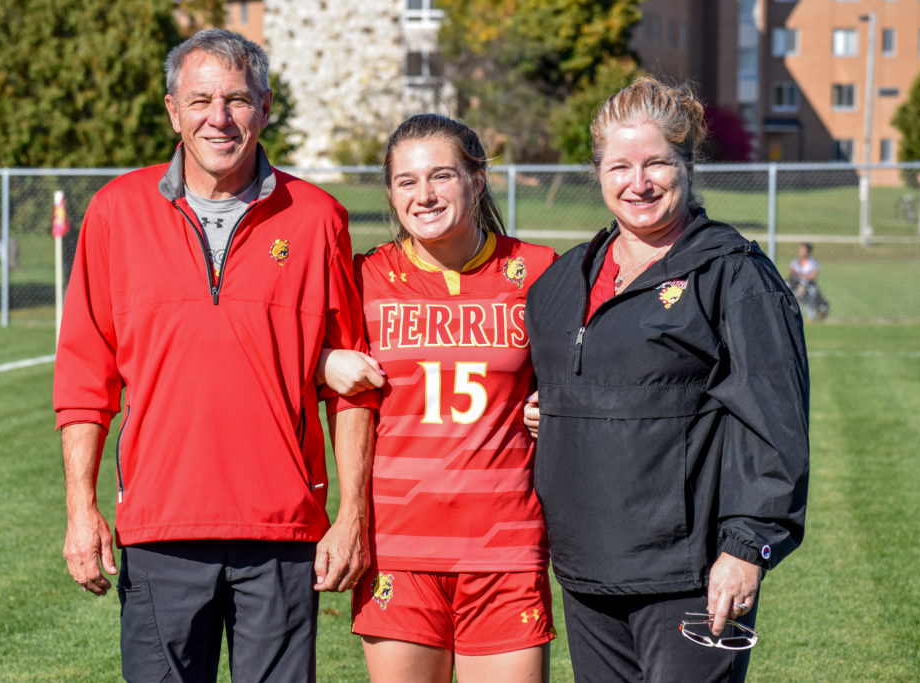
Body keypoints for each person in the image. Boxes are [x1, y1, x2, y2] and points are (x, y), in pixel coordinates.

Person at [53, 29, 375, 682]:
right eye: (200, 100)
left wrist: (352, 516)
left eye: (237, 99)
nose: (218, 118)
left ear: (265, 107)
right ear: (173, 110)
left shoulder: (318, 218)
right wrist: (81, 509)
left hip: (282, 530)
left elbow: (353, 382)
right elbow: (85, 378)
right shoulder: (115, 212)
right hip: (160, 529)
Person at [522, 77, 810, 682]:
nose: (639, 182)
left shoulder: (733, 275)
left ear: (688, 165)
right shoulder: (562, 281)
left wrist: (746, 548)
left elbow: (774, 427)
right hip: (586, 570)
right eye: (620, 166)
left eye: (656, 163)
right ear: (598, 173)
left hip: (690, 575)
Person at [320, 114, 557, 682]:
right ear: (390, 193)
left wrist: (557, 407)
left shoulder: (539, 270)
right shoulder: (364, 276)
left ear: (477, 180)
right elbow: (275, 350)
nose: (424, 195)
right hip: (396, 548)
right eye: (407, 181)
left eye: (441, 176)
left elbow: (589, 371)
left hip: (506, 547)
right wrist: (323, 360)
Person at [786, 242, 829, 319]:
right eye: (800, 250)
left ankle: (819, 313)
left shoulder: (813, 263)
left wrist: (800, 274)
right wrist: (800, 275)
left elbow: (812, 277)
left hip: (808, 286)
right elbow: (791, 275)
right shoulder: (795, 262)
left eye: (804, 251)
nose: (801, 252)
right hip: (795, 286)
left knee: (806, 286)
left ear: (808, 252)